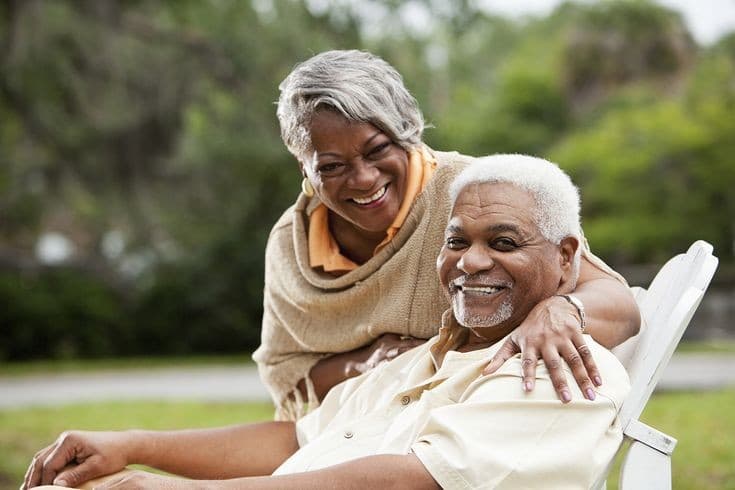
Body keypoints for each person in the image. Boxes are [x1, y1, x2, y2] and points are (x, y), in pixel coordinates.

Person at [23, 154, 630, 490]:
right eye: (455, 240)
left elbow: (405, 485)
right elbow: (296, 440)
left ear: (567, 258)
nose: (471, 262)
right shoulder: (426, 357)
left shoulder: (558, 367)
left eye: (503, 241)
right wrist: (132, 446)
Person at [254, 49, 639, 419]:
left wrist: (562, 309)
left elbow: (616, 302)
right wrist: (370, 363)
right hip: (355, 429)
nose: (364, 178)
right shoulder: (292, 242)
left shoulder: (477, 194)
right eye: (333, 166)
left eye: (377, 150)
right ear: (303, 166)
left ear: (406, 133)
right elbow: (286, 371)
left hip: (472, 418)